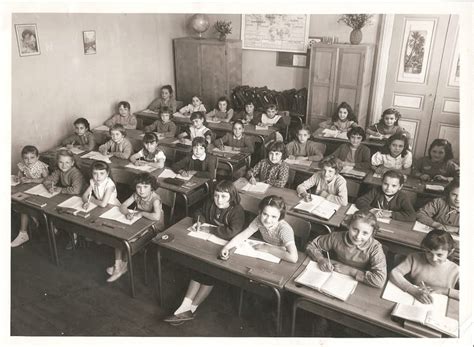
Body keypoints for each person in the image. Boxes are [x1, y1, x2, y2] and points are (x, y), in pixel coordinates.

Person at [163, 181, 245, 324]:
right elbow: (199, 212)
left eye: (224, 197)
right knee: (198, 268)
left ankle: (190, 309)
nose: (219, 200)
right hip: (207, 243)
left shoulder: (237, 211)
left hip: (226, 248)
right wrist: (199, 221)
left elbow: (233, 232)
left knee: (208, 273)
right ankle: (184, 308)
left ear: (231, 197)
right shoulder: (211, 204)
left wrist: (210, 229)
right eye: (216, 196)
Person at [306, 210, 387, 288]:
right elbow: (311, 246)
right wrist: (320, 259)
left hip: (358, 283)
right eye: (355, 229)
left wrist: (352, 271)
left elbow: (380, 280)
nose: (358, 236)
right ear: (348, 225)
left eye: (365, 233)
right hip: (333, 275)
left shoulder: (375, 248)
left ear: (372, 233)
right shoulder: (336, 237)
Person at [113, 173, 164, 282]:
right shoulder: (136, 195)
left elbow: (156, 216)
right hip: (140, 223)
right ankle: (117, 265)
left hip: (154, 227)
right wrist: (127, 213)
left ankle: (124, 265)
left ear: (152, 188)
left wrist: (141, 214)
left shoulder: (155, 199)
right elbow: (123, 206)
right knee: (119, 234)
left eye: (145, 187)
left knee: (130, 240)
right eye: (138, 187)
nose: (141, 190)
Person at [219, 195, 298, 263]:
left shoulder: (284, 229)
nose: (268, 220)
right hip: (265, 253)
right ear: (260, 212)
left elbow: (293, 258)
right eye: (265, 214)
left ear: (280, 217)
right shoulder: (259, 219)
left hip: (281, 256)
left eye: (274, 216)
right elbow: (243, 235)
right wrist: (226, 247)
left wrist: (268, 249)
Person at [390, 229, 459, 302]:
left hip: (440, 304)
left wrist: (445, 291)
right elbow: (394, 273)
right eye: (429, 252)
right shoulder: (414, 258)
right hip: (414, 299)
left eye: (439, 255)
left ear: (450, 252)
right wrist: (414, 291)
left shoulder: (456, 269)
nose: (434, 259)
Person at [42, 149, 87, 250]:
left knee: (70, 215)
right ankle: (60, 229)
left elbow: (76, 190)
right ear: (57, 163)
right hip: (69, 196)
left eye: (67, 162)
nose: (64, 165)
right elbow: (47, 180)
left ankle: (74, 237)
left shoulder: (75, 173)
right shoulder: (58, 171)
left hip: (82, 197)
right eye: (61, 162)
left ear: (72, 163)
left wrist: (59, 189)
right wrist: (50, 187)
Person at [11, 145, 49, 248]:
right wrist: (19, 178)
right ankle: (24, 232)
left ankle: (35, 221)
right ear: (22, 158)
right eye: (25, 158)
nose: (28, 161)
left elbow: (46, 179)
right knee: (23, 203)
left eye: (32, 157)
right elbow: (19, 175)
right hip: (28, 189)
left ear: (37, 157)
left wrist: (31, 180)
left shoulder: (41, 166)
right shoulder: (22, 165)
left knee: (29, 205)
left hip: (41, 190)